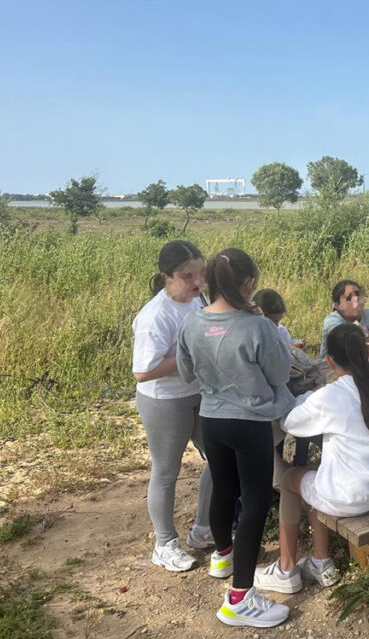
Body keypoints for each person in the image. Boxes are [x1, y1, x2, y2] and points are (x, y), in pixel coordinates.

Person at [177, 248, 295, 629]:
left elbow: (184, 372)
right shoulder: (256, 326)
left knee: (224, 491)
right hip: (249, 423)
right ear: (248, 284)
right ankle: (240, 599)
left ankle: (223, 556)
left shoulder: (192, 323)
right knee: (257, 501)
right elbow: (279, 373)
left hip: (212, 419)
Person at [255, 323, 369, 593]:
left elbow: (290, 422)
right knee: (313, 473)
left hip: (347, 498)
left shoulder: (331, 395)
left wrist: (307, 397)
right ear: (367, 353)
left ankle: (287, 568)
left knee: (290, 478)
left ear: (329, 360)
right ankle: (320, 560)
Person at [132, 240, 215, 573]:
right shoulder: (155, 317)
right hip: (164, 400)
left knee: (219, 458)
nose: (197, 283)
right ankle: (164, 543)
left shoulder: (198, 301)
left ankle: (204, 528)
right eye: (187, 276)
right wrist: (189, 357)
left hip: (199, 392)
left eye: (201, 274)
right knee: (167, 472)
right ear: (166, 276)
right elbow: (143, 371)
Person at [318, 279, 369, 359]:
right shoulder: (332, 321)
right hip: (330, 368)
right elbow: (349, 347)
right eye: (349, 298)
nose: (355, 299)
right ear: (337, 306)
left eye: (357, 294)